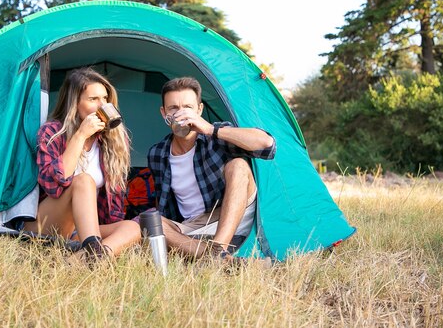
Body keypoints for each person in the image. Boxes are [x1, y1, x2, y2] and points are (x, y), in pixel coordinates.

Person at [148, 77, 276, 261]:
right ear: (164, 113)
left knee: (238, 165)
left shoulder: (217, 135)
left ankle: (218, 249)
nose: (180, 113)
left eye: (188, 107)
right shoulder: (157, 153)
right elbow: (164, 204)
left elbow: (267, 145)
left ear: (199, 109)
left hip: (231, 216)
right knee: (152, 221)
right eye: (173, 108)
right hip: (194, 226)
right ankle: (220, 260)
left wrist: (209, 129)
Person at [24, 67, 140, 261]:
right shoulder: (51, 132)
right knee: (84, 181)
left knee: (132, 227)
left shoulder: (113, 141)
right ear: (74, 103)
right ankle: (94, 251)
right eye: (93, 99)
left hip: (82, 231)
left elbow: (116, 202)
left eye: (105, 98)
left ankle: (83, 261)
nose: (102, 105)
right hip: (45, 223)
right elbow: (53, 186)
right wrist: (80, 135)